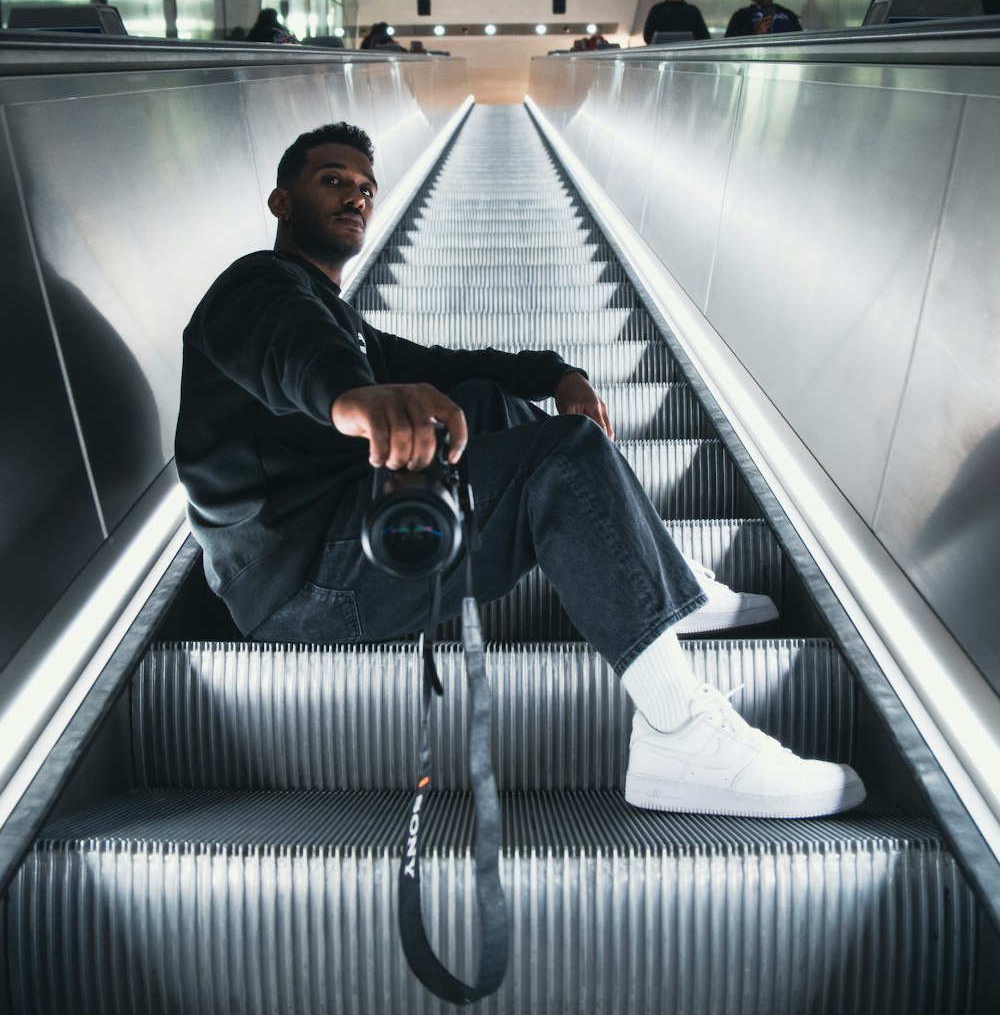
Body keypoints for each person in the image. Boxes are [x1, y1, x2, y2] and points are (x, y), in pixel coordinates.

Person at [175, 121, 865, 819]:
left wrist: (559, 372)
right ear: (281, 202)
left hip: (332, 550)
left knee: (484, 401)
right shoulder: (255, 285)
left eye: (365, 188)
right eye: (332, 180)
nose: (355, 197)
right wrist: (351, 399)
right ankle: (677, 732)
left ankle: (659, 581)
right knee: (563, 457)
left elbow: (451, 366)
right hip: (299, 585)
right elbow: (288, 347)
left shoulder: (346, 322)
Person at [642, 0, 711, 43]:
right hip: (663, 52)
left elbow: (705, 37)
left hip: (688, 52)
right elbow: (648, 36)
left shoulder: (693, 11)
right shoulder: (657, 9)